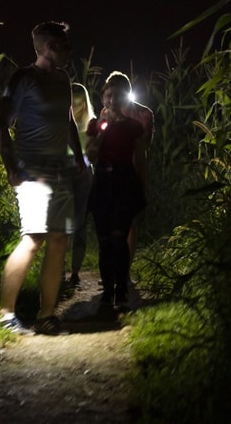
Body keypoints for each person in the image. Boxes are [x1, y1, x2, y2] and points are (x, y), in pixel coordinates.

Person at [0, 21, 86, 335]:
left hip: (60, 171)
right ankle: (6, 313)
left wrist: (77, 155)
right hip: (32, 171)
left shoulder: (63, 79)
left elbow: (69, 120)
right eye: (65, 46)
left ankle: (46, 314)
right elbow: (2, 125)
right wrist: (11, 165)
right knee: (33, 239)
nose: (70, 53)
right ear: (48, 47)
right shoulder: (23, 78)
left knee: (59, 239)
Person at [84, 73, 149, 313]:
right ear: (103, 98)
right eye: (108, 95)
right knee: (104, 240)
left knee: (119, 237)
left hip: (124, 180)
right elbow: (89, 155)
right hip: (102, 180)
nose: (112, 100)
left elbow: (141, 160)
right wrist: (101, 133)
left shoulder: (134, 127)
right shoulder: (95, 125)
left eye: (117, 95)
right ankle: (107, 293)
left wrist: (142, 189)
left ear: (123, 99)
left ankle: (121, 291)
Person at [106, 71, 155, 278]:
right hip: (112, 173)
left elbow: (144, 148)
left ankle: (123, 269)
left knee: (130, 223)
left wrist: (141, 182)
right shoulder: (107, 113)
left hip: (130, 172)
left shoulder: (144, 115)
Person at [66, 82, 95, 290]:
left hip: (83, 174)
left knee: (79, 222)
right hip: (63, 173)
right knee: (61, 223)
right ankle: (56, 270)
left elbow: (94, 151)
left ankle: (75, 271)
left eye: (79, 104)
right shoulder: (61, 122)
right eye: (72, 104)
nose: (75, 108)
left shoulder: (91, 123)